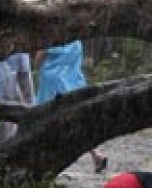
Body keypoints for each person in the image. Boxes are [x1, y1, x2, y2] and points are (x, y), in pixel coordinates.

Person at [33, 40, 107, 172]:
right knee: (79, 121)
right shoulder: (77, 42)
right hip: (74, 83)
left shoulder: (54, 39)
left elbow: (38, 59)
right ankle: (96, 153)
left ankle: (45, 158)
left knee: (44, 120)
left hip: (52, 83)